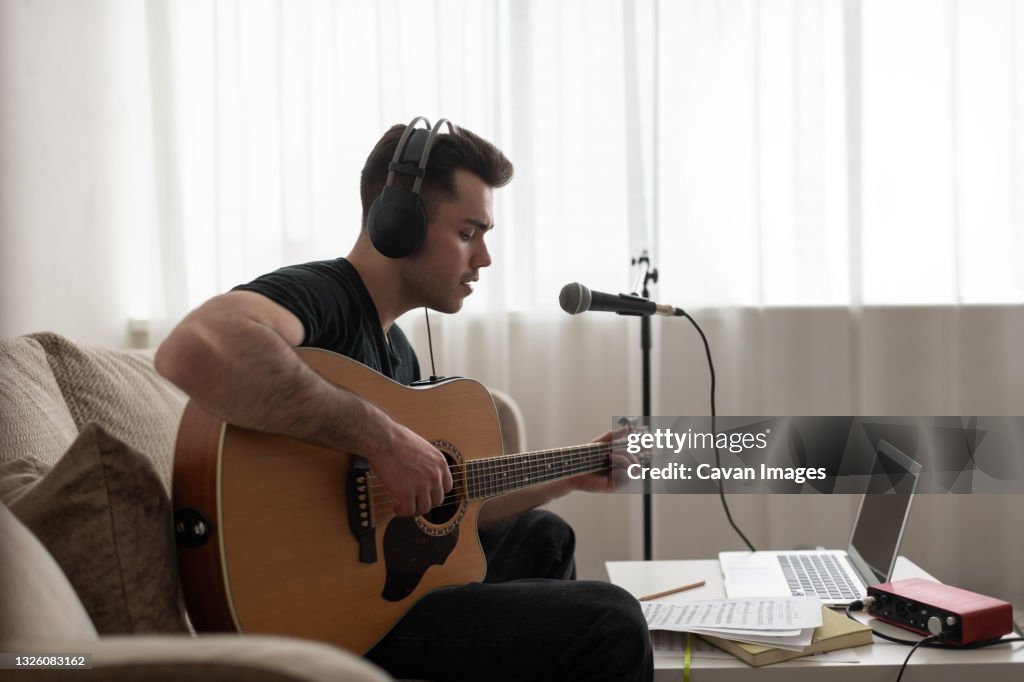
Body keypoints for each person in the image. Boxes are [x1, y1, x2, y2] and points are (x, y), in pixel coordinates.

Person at [155, 120, 653, 681]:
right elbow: (192, 350)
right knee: (611, 622)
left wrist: (574, 472)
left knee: (545, 537)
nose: (484, 258)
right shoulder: (324, 295)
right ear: (399, 223)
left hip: (379, 587)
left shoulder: (396, 348)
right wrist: (382, 436)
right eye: (468, 233)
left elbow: (456, 506)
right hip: (322, 613)